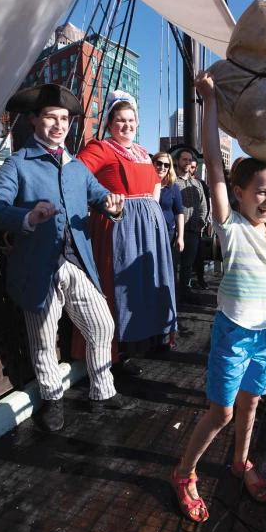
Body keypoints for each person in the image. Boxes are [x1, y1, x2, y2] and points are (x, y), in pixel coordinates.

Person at [171, 72, 266, 523]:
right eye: (260, 193)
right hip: (234, 332)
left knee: (252, 403)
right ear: (240, 194)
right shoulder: (231, 226)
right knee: (222, 412)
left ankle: (239, 462)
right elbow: (212, 161)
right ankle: (185, 472)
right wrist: (209, 100)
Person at [0, 84, 136, 432]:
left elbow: (101, 198)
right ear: (34, 119)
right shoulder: (18, 164)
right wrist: (27, 217)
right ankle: (51, 398)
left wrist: (113, 206)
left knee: (102, 325)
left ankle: (102, 388)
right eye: (51, 117)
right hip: (37, 268)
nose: (59, 124)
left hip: (76, 263)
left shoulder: (77, 167)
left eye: (64, 118)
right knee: (44, 339)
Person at [71, 90, 177, 376]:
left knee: (144, 283)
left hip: (148, 229)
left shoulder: (143, 152)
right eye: (120, 120)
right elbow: (74, 176)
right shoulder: (101, 148)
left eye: (131, 120)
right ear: (109, 122)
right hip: (120, 225)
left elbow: (154, 186)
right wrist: (102, 200)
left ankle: (148, 337)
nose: (126, 125)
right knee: (116, 284)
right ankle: (116, 354)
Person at [174, 147, 209, 295]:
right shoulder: (172, 182)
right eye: (184, 159)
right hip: (175, 232)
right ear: (177, 161)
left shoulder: (198, 184)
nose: (187, 162)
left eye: (190, 160)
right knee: (173, 265)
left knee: (188, 266)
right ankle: (173, 293)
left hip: (194, 232)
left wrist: (201, 222)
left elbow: (203, 206)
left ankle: (185, 292)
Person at [152, 152, 185, 255]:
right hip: (149, 231)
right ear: (152, 163)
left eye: (166, 165)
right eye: (159, 163)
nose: (162, 167)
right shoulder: (145, 184)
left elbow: (179, 213)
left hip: (168, 233)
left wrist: (180, 237)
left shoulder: (173, 187)